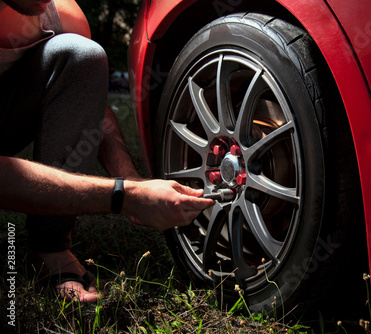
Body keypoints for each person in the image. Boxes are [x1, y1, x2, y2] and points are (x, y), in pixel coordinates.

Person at [0, 0, 214, 302]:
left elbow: (90, 103)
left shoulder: (61, 15)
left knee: (83, 55)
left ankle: (51, 246)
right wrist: (124, 197)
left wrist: (128, 176)